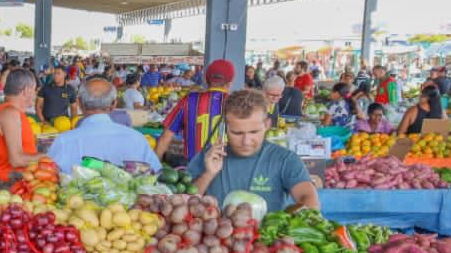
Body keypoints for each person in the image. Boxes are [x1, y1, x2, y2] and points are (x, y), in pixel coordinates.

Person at [188, 89, 319, 213]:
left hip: (268, 236)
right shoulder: (207, 158)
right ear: (224, 128)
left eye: (254, 132)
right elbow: (184, 204)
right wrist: (208, 174)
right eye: (237, 133)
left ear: (267, 125)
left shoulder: (285, 159)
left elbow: (307, 197)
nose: (246, 141)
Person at [48, 77, 161, 176]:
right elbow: (156, 175)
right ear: (114, 104)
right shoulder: (137, 139)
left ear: (79, 104)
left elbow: (48, 179)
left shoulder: (63, 141)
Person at [156, 58, 235, 163]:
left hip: (192, 172)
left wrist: (154, 169)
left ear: (206, 80)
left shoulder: (189, 100)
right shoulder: (236, 103)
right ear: (230, 83)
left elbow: (165, 138)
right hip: (223, 169)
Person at [0, 68, 39, 186]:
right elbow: (17, 160)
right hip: (8, 185)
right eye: (34, 90)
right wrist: (48, 157)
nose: (35, 94)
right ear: (26, 91)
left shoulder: (13, 112)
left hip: (19, 182)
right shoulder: (10, 113)